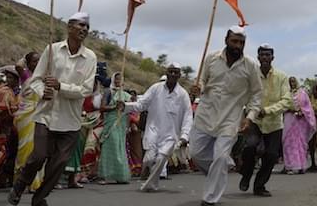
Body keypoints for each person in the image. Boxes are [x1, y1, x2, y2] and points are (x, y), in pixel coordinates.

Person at [8, 11, 97, 206]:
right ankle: (20, 185)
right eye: (80, 25)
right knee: (38, 157)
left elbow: (86, 89)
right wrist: (42, 92)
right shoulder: (52, 50)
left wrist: (60, 87)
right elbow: (36, 80)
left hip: (71, 121)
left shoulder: (90, 57)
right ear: (69, 27)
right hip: (46, 115)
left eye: (86, 27)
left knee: (58, 166)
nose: (84, 29)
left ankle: (39, 199)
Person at [189, 26, 263, 206]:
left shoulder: (250, 66)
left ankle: (210, 198)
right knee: (196, 154)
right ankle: (220, 170)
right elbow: (202, 81)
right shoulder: (212, 59)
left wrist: (250, 117)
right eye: (234, 41)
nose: (238, 46)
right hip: (206, 115)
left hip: (230, 119)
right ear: (226, 40)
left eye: (241, 43)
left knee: (220, 158)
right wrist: (198, 86)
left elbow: (257, 94)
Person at [121, 62, 193, 192]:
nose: (172, 74)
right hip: (153, 130)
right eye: (170, 71)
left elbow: (188, 117)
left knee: (160, 159)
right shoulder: (155, 88)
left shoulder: (183, 95)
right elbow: (142, 104)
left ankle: (151, 185)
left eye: (175, 72)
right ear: (166, 72)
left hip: (170, 136)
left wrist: (184, 136)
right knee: (149, 159)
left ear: (179, 75)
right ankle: (146, 169)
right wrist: (126, 106)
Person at [239, 44, 291, 197]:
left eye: (268, 55)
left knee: (272, 155)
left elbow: (286, 101)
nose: (265, 58)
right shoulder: (251, 75)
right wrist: (251, 111)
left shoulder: (282, 77)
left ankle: (259, 186)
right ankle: (246, 174)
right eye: (262, 55)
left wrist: (267, 111)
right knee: (250, 148)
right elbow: (244, 96)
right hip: (254, 121)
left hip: (274, 123)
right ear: (258, 57)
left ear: (272, 58)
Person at [97, 72, 132, 184]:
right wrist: (114, 107)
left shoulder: (125, 95)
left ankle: (120, 175)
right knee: (110, 147)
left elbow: (130, 110)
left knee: (119, 147)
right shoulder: (108, 92)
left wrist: (125, 105)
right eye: (116, 79)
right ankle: (105, 175)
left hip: (121, 124)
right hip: (111, 123)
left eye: (120, 80)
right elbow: (102, 107)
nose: (118, 82)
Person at [0, 66, 21, 189]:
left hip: (13, 128)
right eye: (7, 77)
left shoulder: (18, 92)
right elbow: (0, 109)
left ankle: (3, 179)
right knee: (1, 152)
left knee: (9, 153)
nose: (8, 80)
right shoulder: (5, 91)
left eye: (11, 78)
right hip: (2, 126)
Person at [282, 77, 316, 174]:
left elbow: (307, 106)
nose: (292, 83)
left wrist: (302, 111)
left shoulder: (302, 93)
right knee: (288, 142)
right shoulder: (286, 94)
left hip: (300, 122)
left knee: (301, 143)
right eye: (290, 82)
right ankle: (290, 167)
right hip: (289, 119)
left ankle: (301, 166)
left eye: (293, 81)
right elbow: (282, 106)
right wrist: (290, 110)